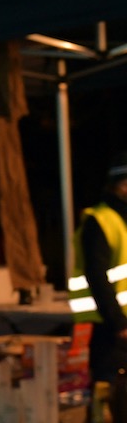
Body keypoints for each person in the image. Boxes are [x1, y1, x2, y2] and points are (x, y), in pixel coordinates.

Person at [69, 152, 127, 406]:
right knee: (106, 385)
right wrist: (118, 322)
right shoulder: (100, 221)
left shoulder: (120, 220)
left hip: (117, 322)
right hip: (104, 324)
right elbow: (97, 276)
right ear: (121, 184)